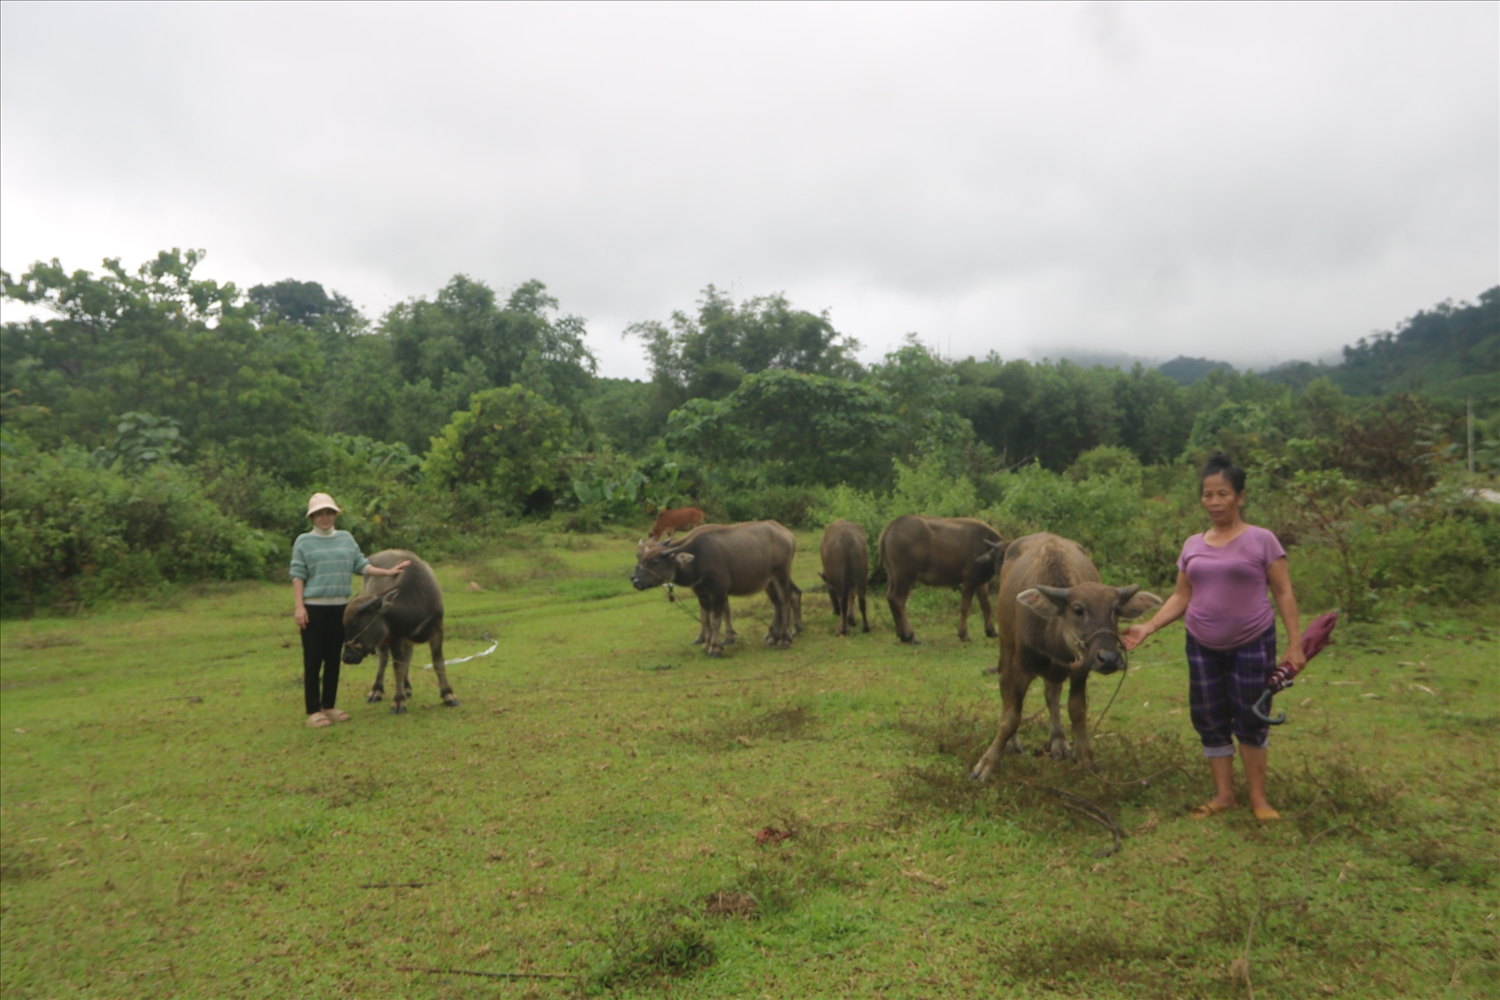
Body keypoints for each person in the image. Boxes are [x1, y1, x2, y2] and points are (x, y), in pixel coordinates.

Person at [1122, 453, 1304, 821]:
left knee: (1251, 718)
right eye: (1208, 494)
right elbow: (1181, 596)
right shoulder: (1193, 544)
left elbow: (1283, 592)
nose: (1215, 502)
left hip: (1252, 641)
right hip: (1201, 644)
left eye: (1223, 494)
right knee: (1209, 717)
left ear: (1240, 496)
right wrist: (1148, 626)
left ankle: (1259, 799)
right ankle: (1223, 796)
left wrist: (1295, 643)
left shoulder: (1262, 540)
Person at [290, 493, 408, 729]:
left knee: (334, 657)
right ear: (312, 517)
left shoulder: (345, 538)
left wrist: (388, 572)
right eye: (320, 514)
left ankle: (329, 706)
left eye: (329, 512)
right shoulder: (303, 542)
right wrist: (299, 606)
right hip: (314, 608)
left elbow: (361, 565)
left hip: (341, 609)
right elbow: (298, 575)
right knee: (313, 659)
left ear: (335, 514)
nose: (325, 517)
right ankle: (313, 710)